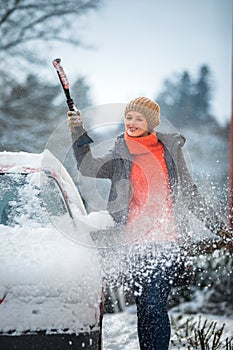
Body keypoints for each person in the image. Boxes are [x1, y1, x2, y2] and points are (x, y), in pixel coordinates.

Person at [67, 97, 231, 350]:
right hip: (133, 243)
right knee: (145, 307)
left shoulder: (169, 151)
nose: (131, 122)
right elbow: (89, 166)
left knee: (154, 304)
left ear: (151, 123)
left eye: (139, 118)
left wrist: (219, 227)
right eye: (129, 116)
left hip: (166, 243)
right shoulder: (120, 152)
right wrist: (78, 132)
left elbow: (189, 192)